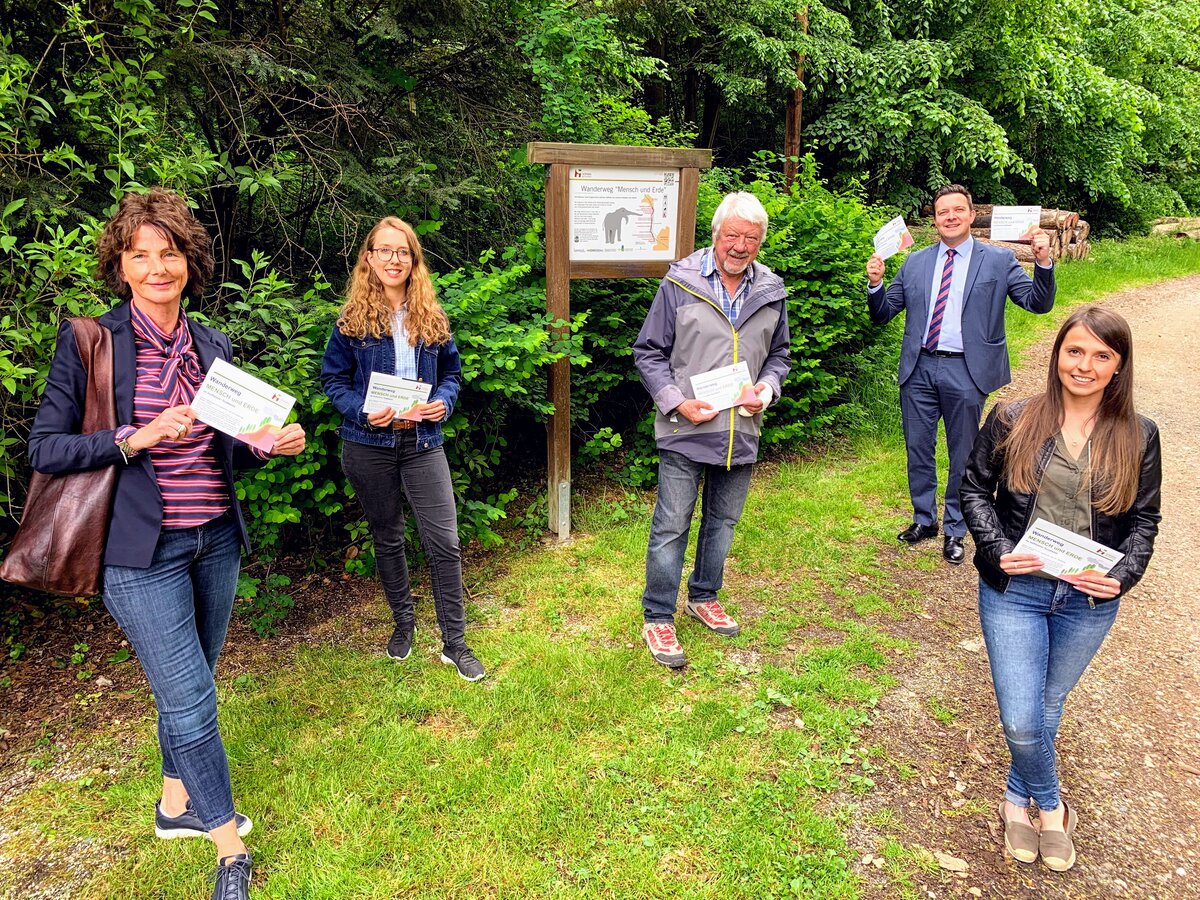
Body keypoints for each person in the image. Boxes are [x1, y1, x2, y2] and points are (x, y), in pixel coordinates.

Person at [27, 188, 307, 900]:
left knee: (191, 687)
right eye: (141, 255)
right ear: (121, 266)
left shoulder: (212, 344)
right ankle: (227, 848)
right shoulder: (93, 340)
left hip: (214, 539)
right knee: (190, 701)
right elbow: (47, 447)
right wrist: (134, 437)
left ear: (190, 261)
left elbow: (227, 453)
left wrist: (266, 444)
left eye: (170, 253)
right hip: (137, 552)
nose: (158, 268)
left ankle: (173, 805)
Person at [961, 305, 1161, 871]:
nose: (1086, 365)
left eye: (1102, 356)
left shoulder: (1139, 435)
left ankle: (1013, 798)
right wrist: (998, 549)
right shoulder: (1013, 418)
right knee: (1021, 718)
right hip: (1016, 592)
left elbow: (1146, 521)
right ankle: (1051, 807)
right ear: (1057, 355)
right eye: (1075, 351)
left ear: (1118, 367)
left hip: (1087, 601)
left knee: (1046, 710)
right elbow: (974, 491)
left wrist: (1121, 577)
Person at [320, 216, 484, 682]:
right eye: (384, 251)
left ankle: (455, 643)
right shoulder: (350, 322)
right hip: (368, 444)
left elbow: (451, 375)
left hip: (422, 442)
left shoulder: (431, 316)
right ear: (368, 258)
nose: (394, 260)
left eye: (403, 252)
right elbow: (332, 381)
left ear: (414, 261)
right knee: (388, 536)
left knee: (444, 542)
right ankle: (403, 625)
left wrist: (441, 402)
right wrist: (360, 411)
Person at [632, 191, 791, 668]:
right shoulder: (680, 282)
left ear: (761, 241)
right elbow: (648, 352)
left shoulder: (771, 290)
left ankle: (704, 596)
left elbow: (779, 355)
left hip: (740, 430)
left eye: (751, 237)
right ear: (715, 235)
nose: (740, 246)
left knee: (722, 523)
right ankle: (658, 616)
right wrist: (676, 401)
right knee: (672, 524)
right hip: (685, 428)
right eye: (732, 235)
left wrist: (766, 389)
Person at [866, 185, 1056, 564]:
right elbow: (883, 313)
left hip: (967, 370)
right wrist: (875, 284)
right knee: (918, 449)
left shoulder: (999, 261)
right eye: (942, 212)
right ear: (934, 219)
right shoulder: (915, 263)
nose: (950, 217)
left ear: (971, 216)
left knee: (963, 454)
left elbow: (1038, 304)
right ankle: (924, 519)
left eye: (957, 210)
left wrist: (1044, 263)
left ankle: (955, 528)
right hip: (918, 368)